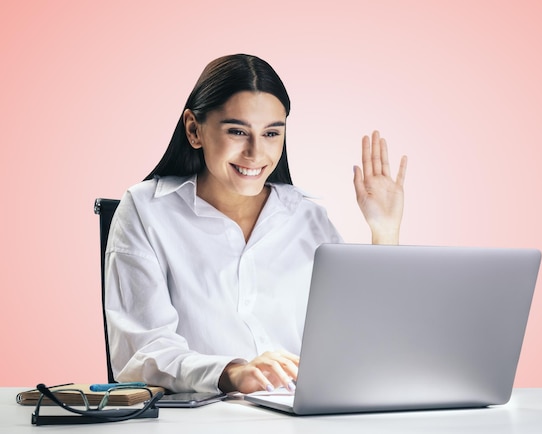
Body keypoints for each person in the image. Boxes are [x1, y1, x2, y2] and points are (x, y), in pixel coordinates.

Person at [105, 54, 407, 395]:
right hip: (207, 418)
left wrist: (384, 232)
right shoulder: (147, 210)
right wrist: (232, 372)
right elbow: (141, 352)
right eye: (237, 131)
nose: (255, 152)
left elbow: (363, 338)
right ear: (194, 130)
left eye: (271, 134)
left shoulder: (307, 217)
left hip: (306, 414)